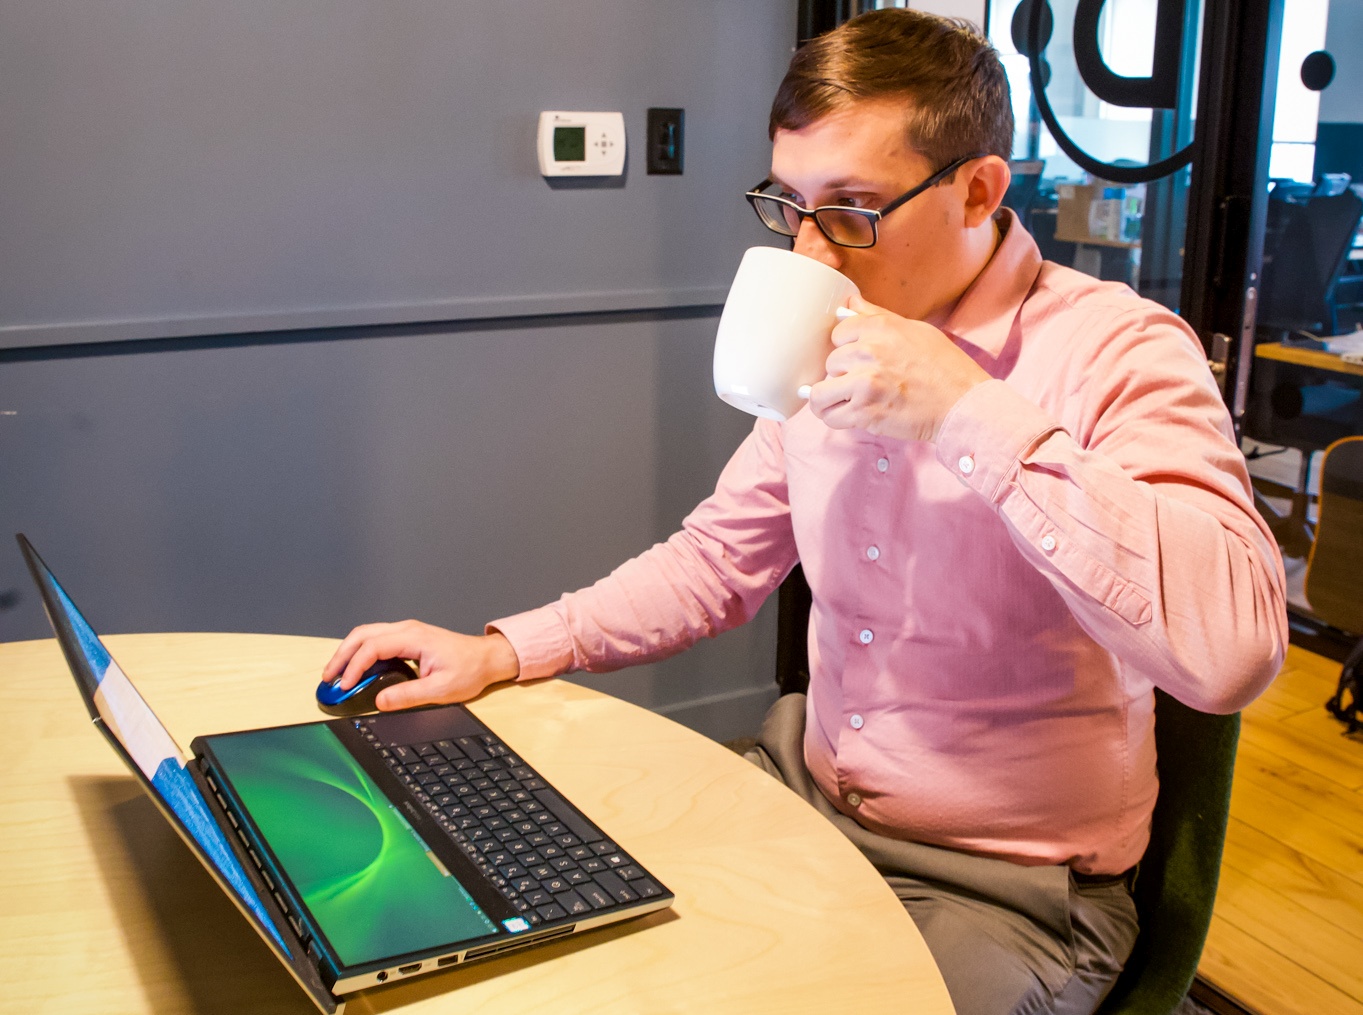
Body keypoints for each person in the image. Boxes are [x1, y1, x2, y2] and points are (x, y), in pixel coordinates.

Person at [322, 10, 1287, 1015]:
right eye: (790, 205)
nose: (814, 255)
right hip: (800, 793)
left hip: (1012, 890)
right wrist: (502, 648)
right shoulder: (832, 330)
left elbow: (1230, 652)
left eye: (854, 210)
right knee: (551, 943)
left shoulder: (1118, 352)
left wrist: (965, 409)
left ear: (978, 189)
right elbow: (714, 561)